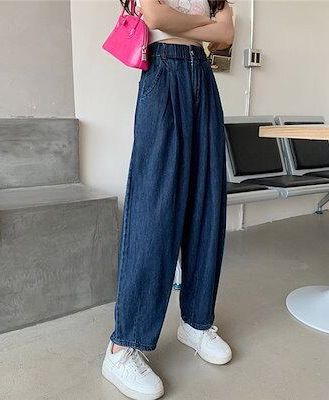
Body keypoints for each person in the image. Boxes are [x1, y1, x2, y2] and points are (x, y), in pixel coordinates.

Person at [102, 1, 235, 399]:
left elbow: (226, 33)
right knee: (154, 208)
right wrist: (204, 24)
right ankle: (122, 347)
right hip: (163, 72)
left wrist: (189, 25)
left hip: (202, 79)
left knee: (206, 205)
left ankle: (196, 322)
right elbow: (157, 18)